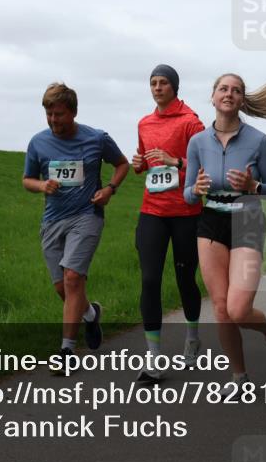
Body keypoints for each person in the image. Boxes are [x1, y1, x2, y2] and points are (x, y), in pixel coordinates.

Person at [184, 73, 266, 397]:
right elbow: (187, 195)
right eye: (223, 88)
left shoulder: (259, 141)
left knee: (237, 308)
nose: (229, 94)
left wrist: (254, 186)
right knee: (221, 308)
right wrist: (197, 188)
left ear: (242, 100)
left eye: (236, 90)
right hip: (211, 224)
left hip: (247, 221)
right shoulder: (197, 143)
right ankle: (239, 377)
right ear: (213, 96)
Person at [23, 82, 129, 373]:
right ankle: (90, 314)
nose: (53, 120)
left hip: (87, 215)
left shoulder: (96, 138)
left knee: (72, 279)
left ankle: (66, 351)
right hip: (52, 219)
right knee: (62, 288)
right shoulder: (38, 142)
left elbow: (121, 164)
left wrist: (109, 189)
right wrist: (42, 184)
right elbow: (27, 179)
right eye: (49, 114)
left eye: (58, 114)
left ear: (72, 112)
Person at [130, 65, 205, 383]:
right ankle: (154, 358)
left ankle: (192, 338)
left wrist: (178, 162)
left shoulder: (191, 121)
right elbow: (145, 159)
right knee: (149, 280)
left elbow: (206, 161)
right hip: (153, 211)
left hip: (186, 212)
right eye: (153, 83)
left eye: (163, 83)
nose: (157, 88)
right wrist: (138, 163)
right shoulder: (144, 123)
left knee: (185, 279)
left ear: (174, 87)